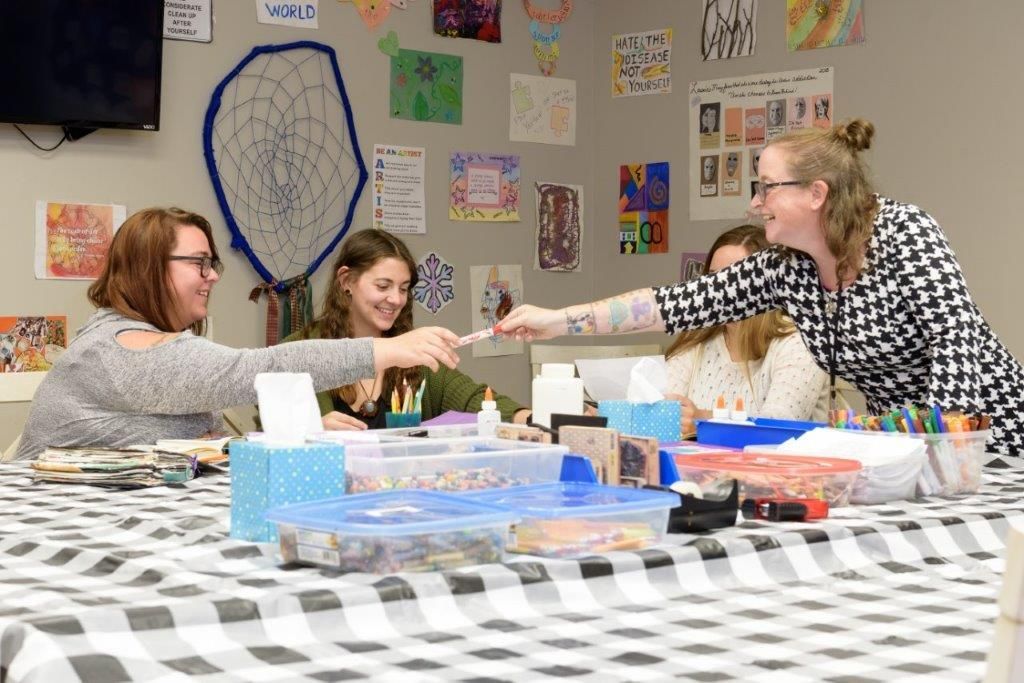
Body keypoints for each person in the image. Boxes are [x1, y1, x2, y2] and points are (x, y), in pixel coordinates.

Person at [499, 119, 1024, 455]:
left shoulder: (903, 231)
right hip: (914, 450)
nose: (756, 203)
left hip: (993, 440)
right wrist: (557, 319)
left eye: (767, 187)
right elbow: (672, 305)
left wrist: (939, 452)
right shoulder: (787, 267)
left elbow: (958, 345)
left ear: (817, 193)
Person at [15, 208, 459, 459]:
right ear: (148, 268)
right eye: (199, 264)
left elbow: (190, 447)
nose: (212, 277)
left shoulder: (121, 339)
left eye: (213, 264)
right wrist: (384, 351)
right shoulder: (123, 352)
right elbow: (258, 370)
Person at [283, 229, 531, 430]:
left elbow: (475, 399)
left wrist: (530, 420)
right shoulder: (298, 352)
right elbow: (277, 427)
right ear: (347, 281)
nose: (396, 299)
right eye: (383, 286)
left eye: (403, 288)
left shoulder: (412, 356)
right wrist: (310, 430)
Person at [663, 225, 828, 436]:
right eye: (713, 278)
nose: (718, 292)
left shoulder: (802, 343)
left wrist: (700, 420)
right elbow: (664, 409)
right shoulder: (695, 338)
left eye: (733, 280)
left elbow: (776, 428)